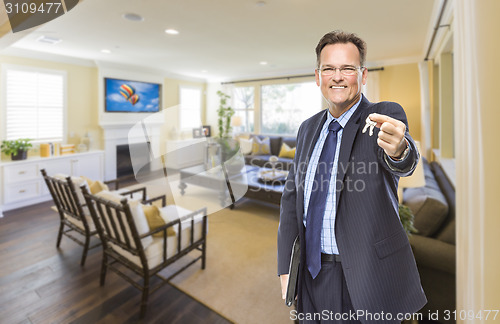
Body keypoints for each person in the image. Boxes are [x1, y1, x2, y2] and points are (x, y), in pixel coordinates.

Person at [277, 30, 427, 323]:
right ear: (318, 75)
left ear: (363, 74)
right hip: (309, 274)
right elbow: (290, 200)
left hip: (364, 279)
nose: (338, 77)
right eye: (329, 69)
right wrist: (286, 267)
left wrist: (400, 149)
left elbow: (403, 159)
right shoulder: (307, 128)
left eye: (347, 68)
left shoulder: (380, 116)